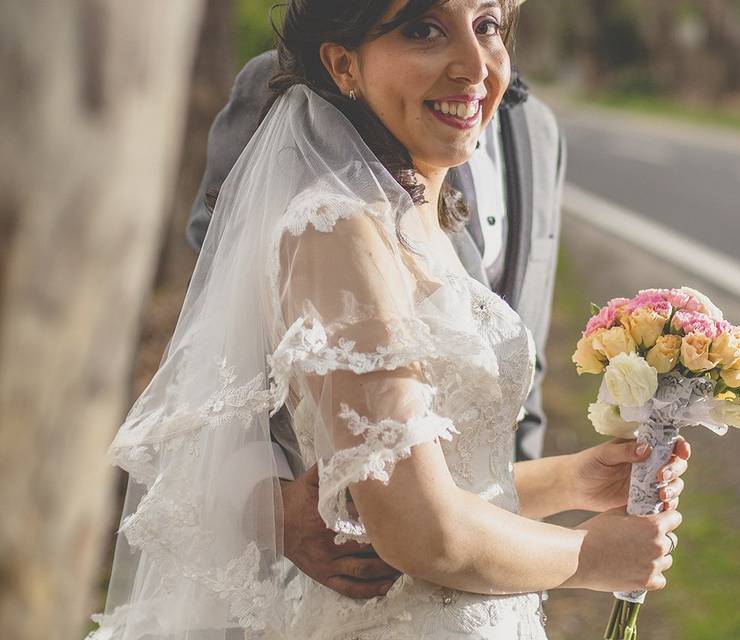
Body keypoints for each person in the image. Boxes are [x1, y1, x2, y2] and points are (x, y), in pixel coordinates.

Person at [90, 1, 689, 638]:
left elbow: (433, 477)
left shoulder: (417, 215)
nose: (474, 65)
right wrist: (586, 556)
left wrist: (570, 479)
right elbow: (416, 529)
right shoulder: (337, 229)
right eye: (423, 30)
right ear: (343, 64)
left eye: (487, 25)